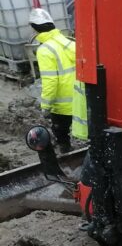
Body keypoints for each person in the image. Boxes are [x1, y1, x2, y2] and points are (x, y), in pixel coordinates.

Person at [29, 8, 87, 152]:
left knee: (61, 134)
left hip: (62, 104)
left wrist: (46, 105)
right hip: (80, 98)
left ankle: (66, 153)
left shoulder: (44, 50)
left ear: (35, 29)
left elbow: (51, 81)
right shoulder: (68, 42)